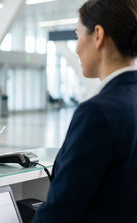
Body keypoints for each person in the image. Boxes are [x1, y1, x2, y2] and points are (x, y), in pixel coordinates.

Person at [32, 0, 137, 222]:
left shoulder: (97, 112)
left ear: (98, 35)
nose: (77, 47)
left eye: (78, 35)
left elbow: (61, 210)